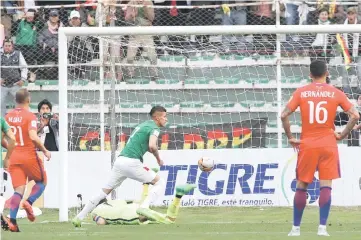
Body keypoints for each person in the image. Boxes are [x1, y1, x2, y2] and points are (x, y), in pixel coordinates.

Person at [281, 60, 360, 237]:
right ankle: (322, 228)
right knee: (326, 185)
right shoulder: (336, 92)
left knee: (302, 185)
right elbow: (355, 115)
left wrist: (290, 137)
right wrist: (342, 134)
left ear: (310, 75)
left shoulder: (301, 92)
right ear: (327, 73)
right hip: (328, 143)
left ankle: (295, 229)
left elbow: (283, 114)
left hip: (307, 144)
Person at [72, 106, 168, 227]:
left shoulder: (144, 125)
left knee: (104, 192)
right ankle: (144, 207)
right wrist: (159, 159)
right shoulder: (154, 127)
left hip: (120, 161)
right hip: (132, 163)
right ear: (157, 117)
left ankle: (78, 218)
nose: (166, 119)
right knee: (160, 182)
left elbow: (144, 145)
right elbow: (152, 146)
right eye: (164, 116)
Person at [3, 89, 51, 232]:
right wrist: (45, 150)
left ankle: (12, 222)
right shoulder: (30, 116)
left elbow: (3, 138)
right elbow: (33, 136)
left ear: (15, 101)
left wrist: (10, 149)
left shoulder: (8, 116)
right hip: (29, 156)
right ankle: (29, 202)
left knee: (18, 190)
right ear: (28, 100)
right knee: (42, 182)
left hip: (13, 156)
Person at [92, 182, 196, 225]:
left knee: (169, 220)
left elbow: (101, 222)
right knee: (143, 203)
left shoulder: (95, 212)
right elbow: (134, 201)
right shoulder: (113, 201)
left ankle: (178, 195)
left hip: (130, 216)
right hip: (135, 207)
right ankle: (145, 184)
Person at [1, 38, 28, 117]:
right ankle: (1, 122)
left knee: (20, 102)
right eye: (6, 46)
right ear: (3, 46)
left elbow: (24, 67)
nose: (7, 47)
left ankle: (20, 118)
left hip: (16, 84)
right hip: (2, 85)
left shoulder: (18, 54)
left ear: (12, 46)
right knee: (0, 103)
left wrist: (23, 79)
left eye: (9, 45)